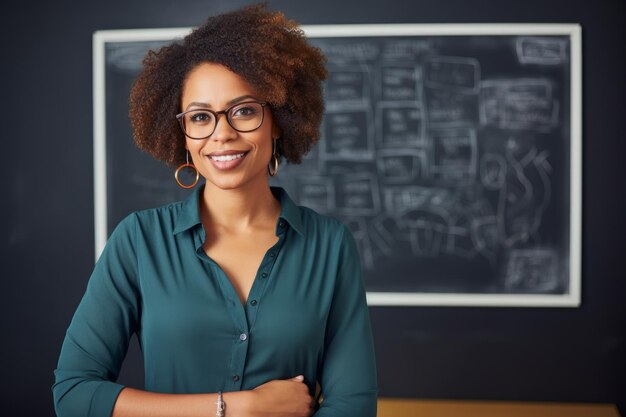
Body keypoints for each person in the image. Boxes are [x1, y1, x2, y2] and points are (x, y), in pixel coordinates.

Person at [52, 4, 378, 417]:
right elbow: (74, 395)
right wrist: (236, 407)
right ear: (183, 134)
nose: (222, 134)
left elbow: (355, 405)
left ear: (277, 120)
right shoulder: (138, 242)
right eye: (201, 117)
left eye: (243, 110)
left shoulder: (330, 246)